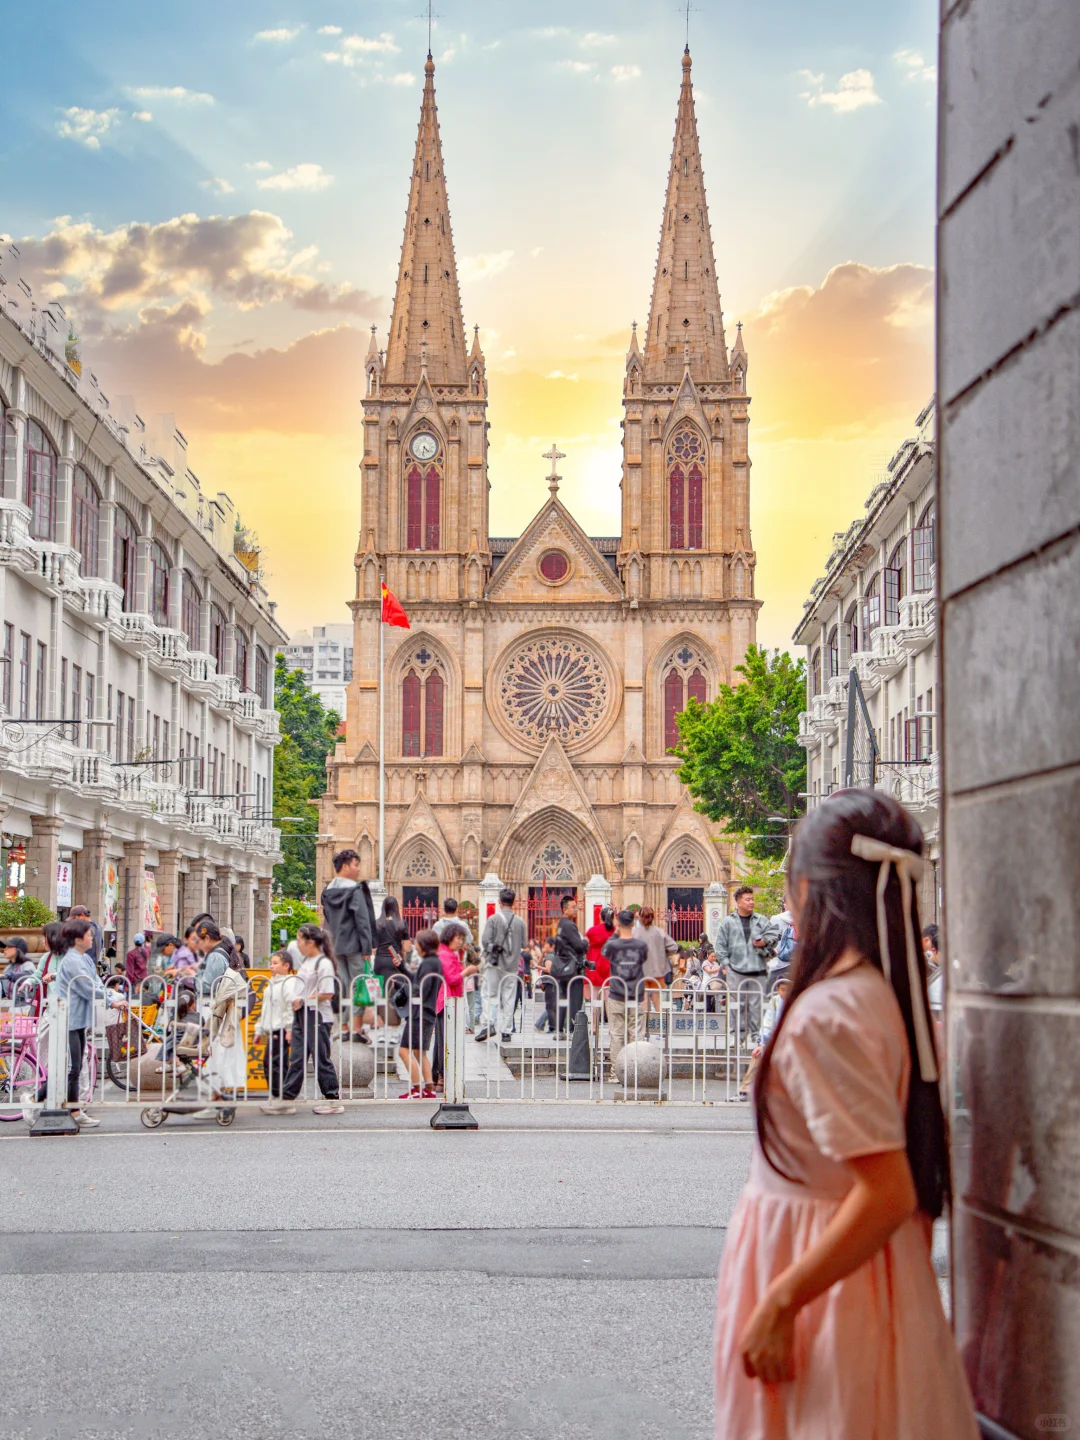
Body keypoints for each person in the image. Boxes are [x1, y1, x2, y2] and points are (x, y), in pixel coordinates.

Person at [713, 789, 978, 1439]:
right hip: (872, 1280)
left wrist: (780, 1301)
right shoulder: (891, 1000)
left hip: (828, 1293)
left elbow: (887, 1190)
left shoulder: (827, 1016)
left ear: (809, 890)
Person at [52, 918, 128, 1126]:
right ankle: (65, 1108)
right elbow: (86, 988)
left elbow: (96, 984)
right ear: (77, 939)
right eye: (89, 935)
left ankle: (73, 1110)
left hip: (79, 1019)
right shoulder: (72, 961)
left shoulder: (83, 958)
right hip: (69, 1017)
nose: (92, 938)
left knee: (76, 1066)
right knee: (73, 1067)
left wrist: (113, 998)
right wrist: (111, 1002)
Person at [275, 923, 344, 1115]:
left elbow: (328, 992)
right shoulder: (307, 961)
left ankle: (332, 1099)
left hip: (318, 1015)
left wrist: (303, 999)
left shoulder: (324, 963)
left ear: (310, 942)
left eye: (299, 941)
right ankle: (287, 1098)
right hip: (302, 1012)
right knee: (297, 1057)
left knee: (321, 1057)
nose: (297, 945)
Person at [320, 848, 377, 1042]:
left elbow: (327, 919)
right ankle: (356, 1028)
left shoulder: (327, 891)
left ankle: (344, 1027)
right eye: (355, 864)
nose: (358, 869)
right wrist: (367, 948)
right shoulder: (355, 890)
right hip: (354, 945)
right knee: (360, 985)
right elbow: (362, 921)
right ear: (345, 866)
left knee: (344, 986)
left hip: (336, 946)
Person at [714, 887, 779, 1041]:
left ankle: (757, 1035)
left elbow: (774, 935)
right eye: (747, 899)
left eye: (752, 899)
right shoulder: (728, 922)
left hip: (758, 967)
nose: (751, 902)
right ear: (738, 902)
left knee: (757, 1003)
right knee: (737, 1003)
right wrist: (726, 964)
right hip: (735, 969)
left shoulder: (761, 920)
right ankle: (736, 1034)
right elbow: (720, 945)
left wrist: (764, 941)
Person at [477, 887, 527, 1044]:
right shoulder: (520, 922)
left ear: (499, 902)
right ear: (514, 902)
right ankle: (506, 1031)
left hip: (495, 964)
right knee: (509, 998)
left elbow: (485, 940)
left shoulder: (493, 919)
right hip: (512, 966)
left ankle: (489, 1024)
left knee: (489, 994)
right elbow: (524, 944)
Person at [602, 910, 648, 1079]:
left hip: (616, 994)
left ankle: (616, 1073)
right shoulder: (641, 945)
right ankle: (635, 1072)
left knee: (616, 1035)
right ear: (633, 923)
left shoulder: (613, 945)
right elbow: (643, 959)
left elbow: (604, 953)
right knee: (636, 1034)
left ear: (618, 924)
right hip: (636, 994)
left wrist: (616, 933)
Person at [201, 943, 250, 1103]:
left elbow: (206, 986)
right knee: (222, 1058)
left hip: (220, 1017)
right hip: (228, 1019)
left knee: (217, 1057)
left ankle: (217, 1097)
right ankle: (218, 1096)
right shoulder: (236, 969)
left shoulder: (217, 960)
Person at [398, 928, 443, 1099]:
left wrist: (403, 988)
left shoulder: (428, 963)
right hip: (428, 1012)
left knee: (404, 1051)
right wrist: (401, 967)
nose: (415, 944)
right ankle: (429, 1088)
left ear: (424, 944)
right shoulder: (434, 962)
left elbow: (419, 989)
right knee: (419, 1052)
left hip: (420, 1012)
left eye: (417, 941)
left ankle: (417, 1089)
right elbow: (419, 982)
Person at [256, 949, 301, 1106]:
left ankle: (280, 1096)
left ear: (286, 965)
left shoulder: (288, 983)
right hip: (272, 1029)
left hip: (281, 1029)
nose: (271, 966)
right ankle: (276, 1094)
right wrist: (259, 1030)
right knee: (270, 1063)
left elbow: (290, 1006)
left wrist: (289, 1028)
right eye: (271, 963)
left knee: (276, 1063)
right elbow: (265, 1010)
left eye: (275, 963)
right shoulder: (271, 984)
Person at [738, 971, 792, 1099]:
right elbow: (767, 1024)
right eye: (782, 989)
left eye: (788, 989)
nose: (785, 992)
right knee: (757, 1053)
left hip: (793, 1040)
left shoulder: (798, 1000)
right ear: (777, 989)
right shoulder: (775, 1001)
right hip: (776, 1040)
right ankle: (746, 1088)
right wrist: (761, 1043)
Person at [372, 896, 409, 1036]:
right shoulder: (401, 924)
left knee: (380, 990)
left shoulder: (376, 924)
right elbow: (406, 946)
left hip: (380, 961)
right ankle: (394, 1020)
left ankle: (379, 1020)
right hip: (396, 961)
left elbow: (373, 949)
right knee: (396, 990)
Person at [632, 906, 679, 1017]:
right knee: (657, 999)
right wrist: (662, 953)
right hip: (657, 971)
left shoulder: (634, 932)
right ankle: (661, 1025)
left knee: (643, 999)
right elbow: (674, 946)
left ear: (640, 917)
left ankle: (645, 1026)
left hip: (640, 971)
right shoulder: (659, 932)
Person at [585, 905, 615, 997]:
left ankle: (595, 1011)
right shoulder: (614, 931)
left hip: (594, 964)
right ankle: (609, 1011)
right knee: (608, 994)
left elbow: (584, 945)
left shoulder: (592, 931)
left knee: (595, 994)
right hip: (609, 964)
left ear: (600, 916)